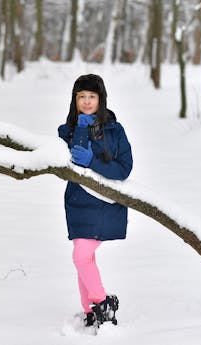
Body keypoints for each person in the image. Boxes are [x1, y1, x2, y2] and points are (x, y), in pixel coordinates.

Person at [57, 74, 133, 328]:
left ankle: (101, 303)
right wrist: (81, 128)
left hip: (103, 203)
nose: (87, 101)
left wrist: (94, 161)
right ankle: (90, 309)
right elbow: (71, 162)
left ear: (101, 99)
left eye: (92, 96)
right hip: (78, 202)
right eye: (82, 97)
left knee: (81, 256)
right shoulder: (66, 131)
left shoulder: (115, 130)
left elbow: (124, 168)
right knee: (82, 257)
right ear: (75, 100)